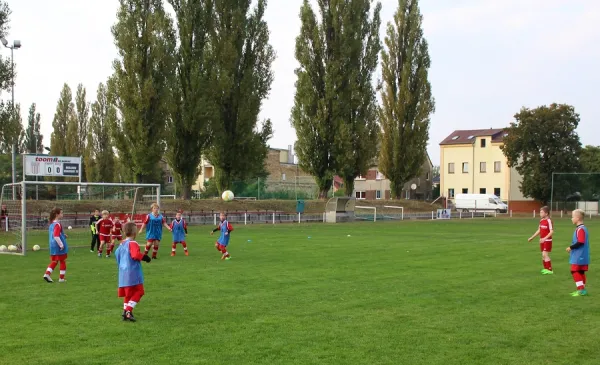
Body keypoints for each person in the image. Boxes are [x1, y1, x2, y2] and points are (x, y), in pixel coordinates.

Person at [115, 221, 152, 322]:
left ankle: (125, 312)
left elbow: (117, 255)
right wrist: (145, 257)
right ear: (134, 233)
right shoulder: (133, 243)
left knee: (129, 294)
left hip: (123, 273)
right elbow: (135, 255)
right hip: (133, 273)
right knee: (140, 291)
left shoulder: (121, 244)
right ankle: (128, 310)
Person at [567, 209, 590, 296]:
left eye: (572, 217)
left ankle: (581, 289)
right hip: (583, 254)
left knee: (574, 271)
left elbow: (580, 241)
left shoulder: (580, 229)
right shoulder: (582, 228)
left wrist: (570, 247)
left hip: (579, 255)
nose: (571, 219)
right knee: (581, 272)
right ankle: (582, 290)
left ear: (577, 218)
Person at [43, 207, 68, 283]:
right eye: (61, 213)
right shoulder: (57, 224)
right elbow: (56, 236)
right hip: (58, 245)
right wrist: (61, 245)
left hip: (52, 245)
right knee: (62, 261)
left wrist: (63, 235)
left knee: (55, 261)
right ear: (57, 214)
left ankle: (47, 274)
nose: (62, 214)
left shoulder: (52, 224)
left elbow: (56, 234)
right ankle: (61, 279)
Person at [528, 206, 554, 274]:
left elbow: (551, 232)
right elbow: (539, 230)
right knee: (543, 255)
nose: (540, 213)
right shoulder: (541, 221)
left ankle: (550, 270)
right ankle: (546, 269)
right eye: (540, 212)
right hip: (542, 240)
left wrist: (544, 238)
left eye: (541, 212)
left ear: (546, 213)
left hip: (547, 240)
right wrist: (532, 237)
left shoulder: (549, 221)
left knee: (545, 254)